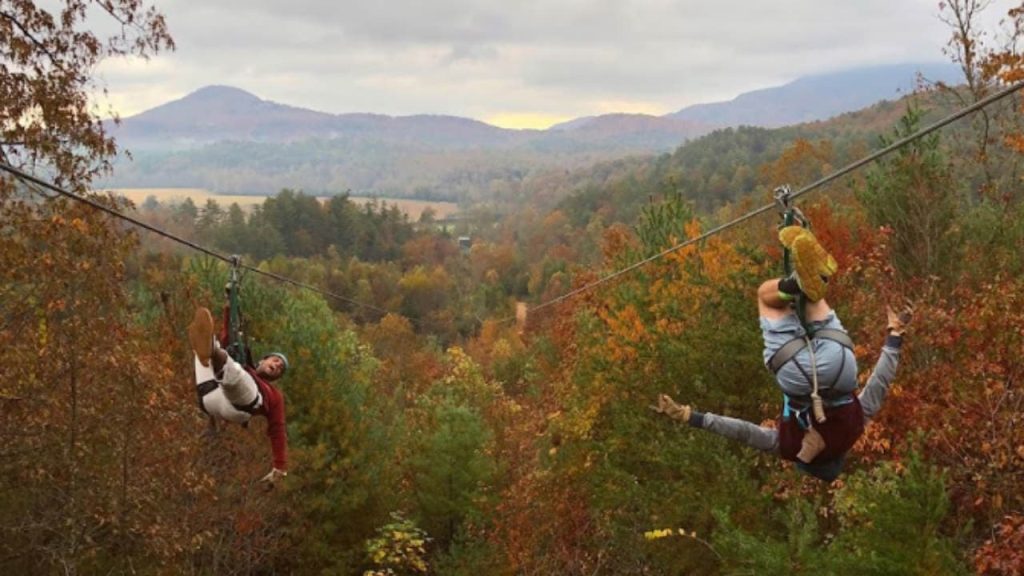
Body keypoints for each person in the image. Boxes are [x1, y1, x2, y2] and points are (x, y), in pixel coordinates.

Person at [654, 226, 912, 482]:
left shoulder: (854, 430)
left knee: (813, 298)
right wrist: (691, 417)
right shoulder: (789, 448)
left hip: (840, 365)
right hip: (797, 374)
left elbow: (880, 383)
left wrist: (895, 334)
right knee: (766, 298)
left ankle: (814, 277)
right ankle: (794, 283)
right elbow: (744, 432)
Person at [189, 305, 289, 485]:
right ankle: (209, 346)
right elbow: (230, 333)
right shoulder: (243, 359)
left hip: (239, 405)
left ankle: (214, 353)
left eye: (280, 368)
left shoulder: (273, 395)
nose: (277, 365)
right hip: (210, 395)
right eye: (275, 360)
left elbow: (278, 430)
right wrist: (230, 305)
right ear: (264, 359)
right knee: (212, 348)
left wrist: (279, 467)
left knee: (237, 373)